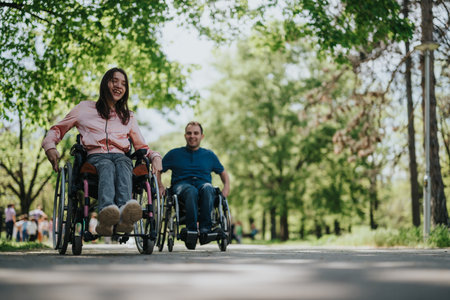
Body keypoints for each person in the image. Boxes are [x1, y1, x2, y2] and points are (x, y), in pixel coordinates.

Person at [42, 67, 163, 236]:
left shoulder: (128, 116)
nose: (119, 86)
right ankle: (107, 214)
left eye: (123, 83)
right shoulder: (84, 108)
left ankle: (123, 216)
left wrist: (156, 157)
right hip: (95, 157)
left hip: (121, 157)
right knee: (107, 164)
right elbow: (57, 129)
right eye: (114, 81)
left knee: (123, 163)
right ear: (105, 82)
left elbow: (142, 147)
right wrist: (50, 146)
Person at [162, 121, 230, 247]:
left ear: (201, 136)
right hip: (181, 187)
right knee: (190, 190)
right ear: (185, 136)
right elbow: (158, 170)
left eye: (196, 133)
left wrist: (226, 187)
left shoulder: (209, 155)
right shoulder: (174, 154)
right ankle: (191, 231)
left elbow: (223, 173)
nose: (192, 136)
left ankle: (205, 231)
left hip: (203, 187)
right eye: (189, 133)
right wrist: (160, 186)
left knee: (209, 188)